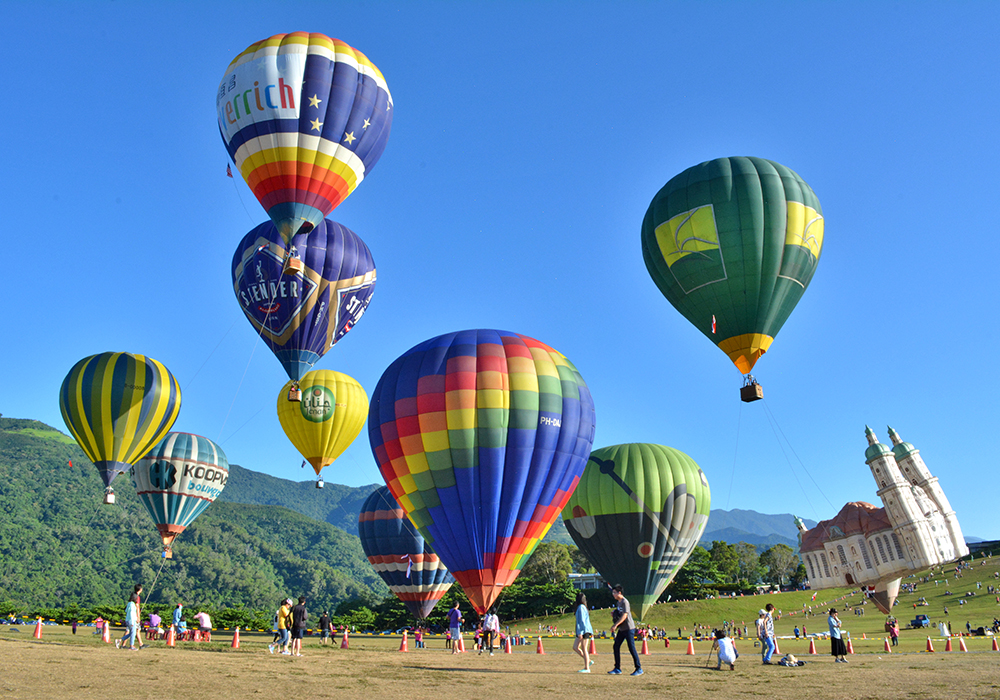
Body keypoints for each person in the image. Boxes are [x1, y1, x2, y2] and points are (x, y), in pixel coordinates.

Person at [608, 584, 642, 676]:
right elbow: (620, 613)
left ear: (619, 592)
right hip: (622, 629)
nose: (613, 594)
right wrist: (614, 613)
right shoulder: (618, 602)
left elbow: (625, 615)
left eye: (614, 592)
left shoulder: (624, 602)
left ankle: (638, 668)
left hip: (629, 628)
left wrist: (615, 625)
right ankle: (617, 668)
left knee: (631, 648)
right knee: (616, 646)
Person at [572, 592, 594, 673]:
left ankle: (587, 668)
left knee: (584, 648)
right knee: (575, 647)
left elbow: (582, 621)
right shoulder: (583, 607)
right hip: (582, 630)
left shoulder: (581, 607)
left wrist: (580, 632)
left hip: (584, 630)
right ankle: (588, 661)